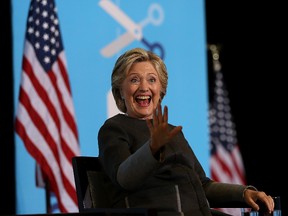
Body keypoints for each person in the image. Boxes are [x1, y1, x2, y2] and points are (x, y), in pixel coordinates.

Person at [97, 47, 275, 216]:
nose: (144, 87)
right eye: (134, 79)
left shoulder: (172, 132)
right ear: (120, 91)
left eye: (152, 79)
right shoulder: (114, 128)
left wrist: (243, 193)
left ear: (161, 90)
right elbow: (124, 178)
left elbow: (202, 185)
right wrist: (152, 148)